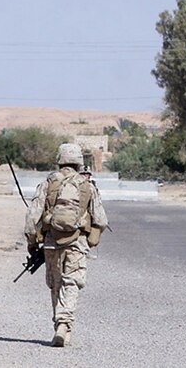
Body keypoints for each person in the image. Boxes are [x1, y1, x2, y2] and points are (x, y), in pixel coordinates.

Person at [24, 143, 108, 347]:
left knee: (56, 284)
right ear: (79, 161)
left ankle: (59, 326)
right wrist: (89, 238)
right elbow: (101, 220)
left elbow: (31, 218)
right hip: (77, 243)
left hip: (52, 242)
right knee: (72, 283)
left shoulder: (48, 183)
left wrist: (32, 242)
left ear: (59, 159)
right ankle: (64, 324)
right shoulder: (87, 185)